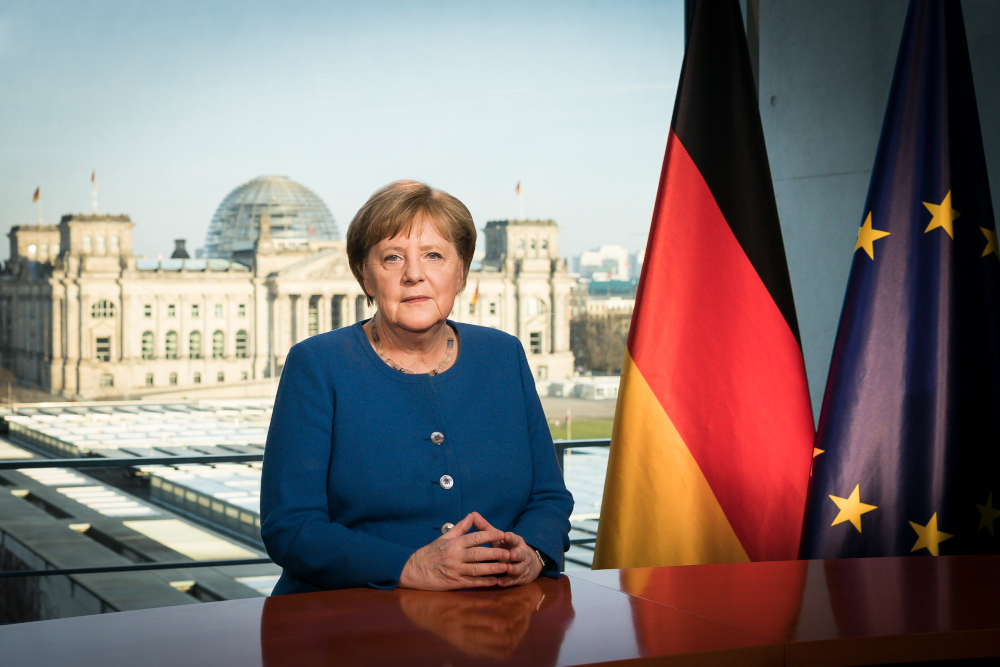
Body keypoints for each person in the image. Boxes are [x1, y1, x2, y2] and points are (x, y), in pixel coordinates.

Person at [260, 180, 574, 594]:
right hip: (353, 625)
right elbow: (291, 526)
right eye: (392, 258)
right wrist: (407, 566)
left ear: (460, 273)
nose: (414, 275)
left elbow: (549, 497)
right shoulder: (317, 365)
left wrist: (531, 553)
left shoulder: (503, 355)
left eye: (433, 255)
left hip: (500, 624)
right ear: (366, 278)